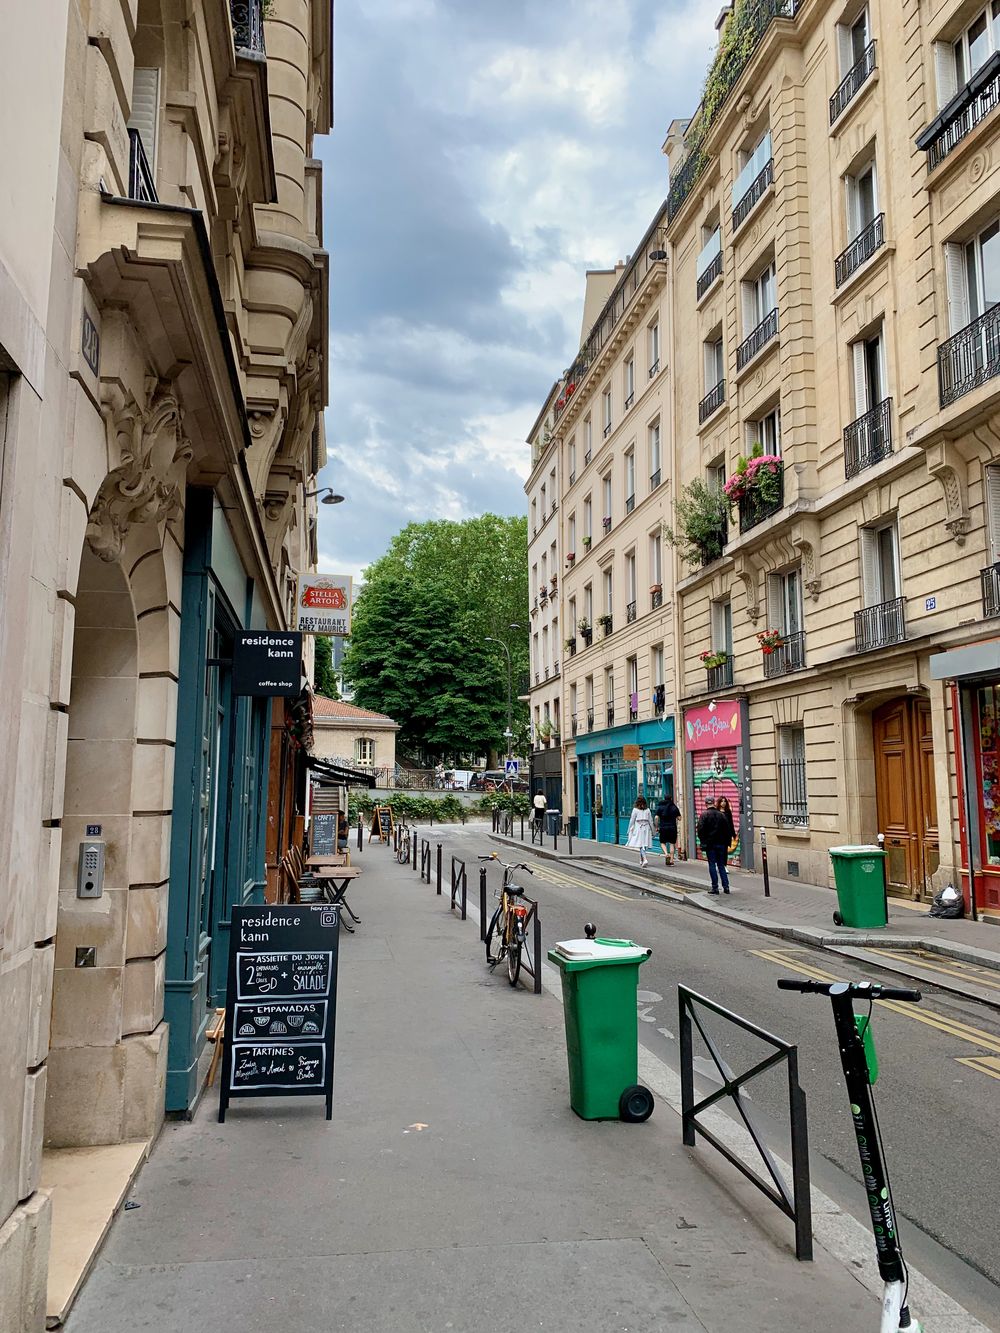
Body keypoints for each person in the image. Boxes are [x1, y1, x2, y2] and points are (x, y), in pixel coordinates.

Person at [697, 801, 731, 894]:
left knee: (712, 865)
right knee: (721, 865)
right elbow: (727, 830)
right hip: (721, 844)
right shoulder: (721, 815)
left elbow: (700, 829)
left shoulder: (704, 815)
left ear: (705, 804)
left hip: (710, 844)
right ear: (714, 803)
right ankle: (726, 887)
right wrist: (727, 843)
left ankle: (715, 888)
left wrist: (703, 841)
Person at [626, 795, 654, 868]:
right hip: (646, 827)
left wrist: (629, 829)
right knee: (643, 844)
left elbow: (632, 820)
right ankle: (641, 860)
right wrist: (653, 830)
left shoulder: (635, 810)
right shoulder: (648, 810)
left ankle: (644, 859)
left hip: (639, 827)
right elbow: (651, 821)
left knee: (641, 845)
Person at [654, 793, 681, 864]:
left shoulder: (660, 807)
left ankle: (666, 854)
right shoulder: (674, 807)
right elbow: (679, 818)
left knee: (662, 842)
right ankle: (671, 860)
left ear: (664, 798)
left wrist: (656, 826)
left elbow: (656, 817)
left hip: (663, 827)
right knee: (672, 844)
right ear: (671, 799)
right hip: (672, 827)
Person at [716, 797, 736, 862]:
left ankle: (724, 866)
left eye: (725, 801)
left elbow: (731, 823)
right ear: (719, 803)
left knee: (725, 851)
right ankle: (719, 864)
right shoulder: (716, 812)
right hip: (718, 835)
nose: (723, 803)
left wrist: (733, 834)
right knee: (719, 851)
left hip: (726, 835)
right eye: (722, 801)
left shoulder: (728, 812)